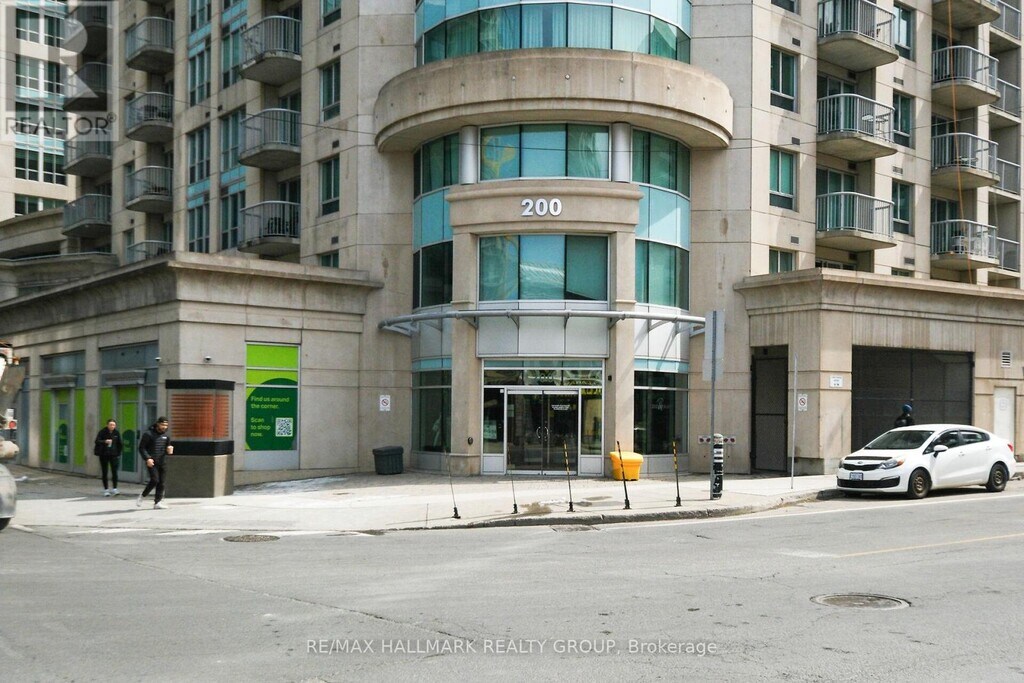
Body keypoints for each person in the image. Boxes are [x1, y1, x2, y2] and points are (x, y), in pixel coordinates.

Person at [137, 417, 172, 510]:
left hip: (162, 461)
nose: (164, 427)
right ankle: (142, 495)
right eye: (162, 425)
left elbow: (168, 446)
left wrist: (169, 449)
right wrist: (147, 458)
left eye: (166, 425)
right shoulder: (148, 434)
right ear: (157, 424)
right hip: (152, 462)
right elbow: (141, 448)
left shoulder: (166, 436)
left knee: (162, 482)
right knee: (155, 480)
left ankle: (157, 502)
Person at [93, 419, 123, 496]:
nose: (112, 426)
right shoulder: (102, 432)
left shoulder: (116, 433)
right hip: (104, 454)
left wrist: (118, 453)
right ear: (107, 425)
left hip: (114, 455)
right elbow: (97, 441)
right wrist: (105, 441)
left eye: (114, 425)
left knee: (114, 472)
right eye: (110, 425)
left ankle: (115, 488)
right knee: (105, 472)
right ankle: (106, 489)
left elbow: (120, 444)